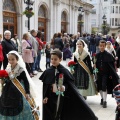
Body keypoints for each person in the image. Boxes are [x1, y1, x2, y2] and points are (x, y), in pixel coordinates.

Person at [39, 49, 98, 120]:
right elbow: (46, 87)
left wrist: (64, 87)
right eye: (52, 59)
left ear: (60, 59)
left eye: (55, 59)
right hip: (51, 97)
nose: (53, 61)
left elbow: (69, 84)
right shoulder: (48, 72)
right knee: (50, 113)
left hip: (62, 97)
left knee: (60, 113)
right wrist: (45, 96)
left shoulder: (64, 70)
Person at [0, 51, 40, 120]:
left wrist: (27, 92)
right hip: (8, 91)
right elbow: (6, 79)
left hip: (18, 90)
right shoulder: (8, 69)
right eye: (9, 59)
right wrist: (2, 80)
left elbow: (26, 81)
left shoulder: (21, 70)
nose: (11, 61)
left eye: (13, 59)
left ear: (17, 59)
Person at [95, 40, 119, 108]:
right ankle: (102, 98)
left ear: (105, 46)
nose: (101, 47)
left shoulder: (108, 55)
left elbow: (112, 66)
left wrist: (111, 74)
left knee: (104, 86)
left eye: (103, 46)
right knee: (99, 86)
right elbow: (95, 63)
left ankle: (105, 101)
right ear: (99, 46)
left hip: (106, 74)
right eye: (100, 46)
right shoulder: (97, 55)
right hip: (99, 73)